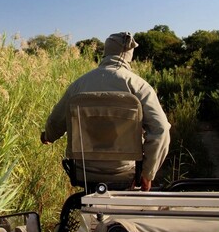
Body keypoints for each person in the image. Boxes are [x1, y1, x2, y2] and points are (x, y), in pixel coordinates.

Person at [41, 32, 171, 191]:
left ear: (106, 52)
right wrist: (148, 173)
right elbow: (161, 129)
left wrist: (48, 136)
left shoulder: (79, 85)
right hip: (125, 172)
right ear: (129, 55)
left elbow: (56, 121)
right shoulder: (139, 86)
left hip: (84, 171)